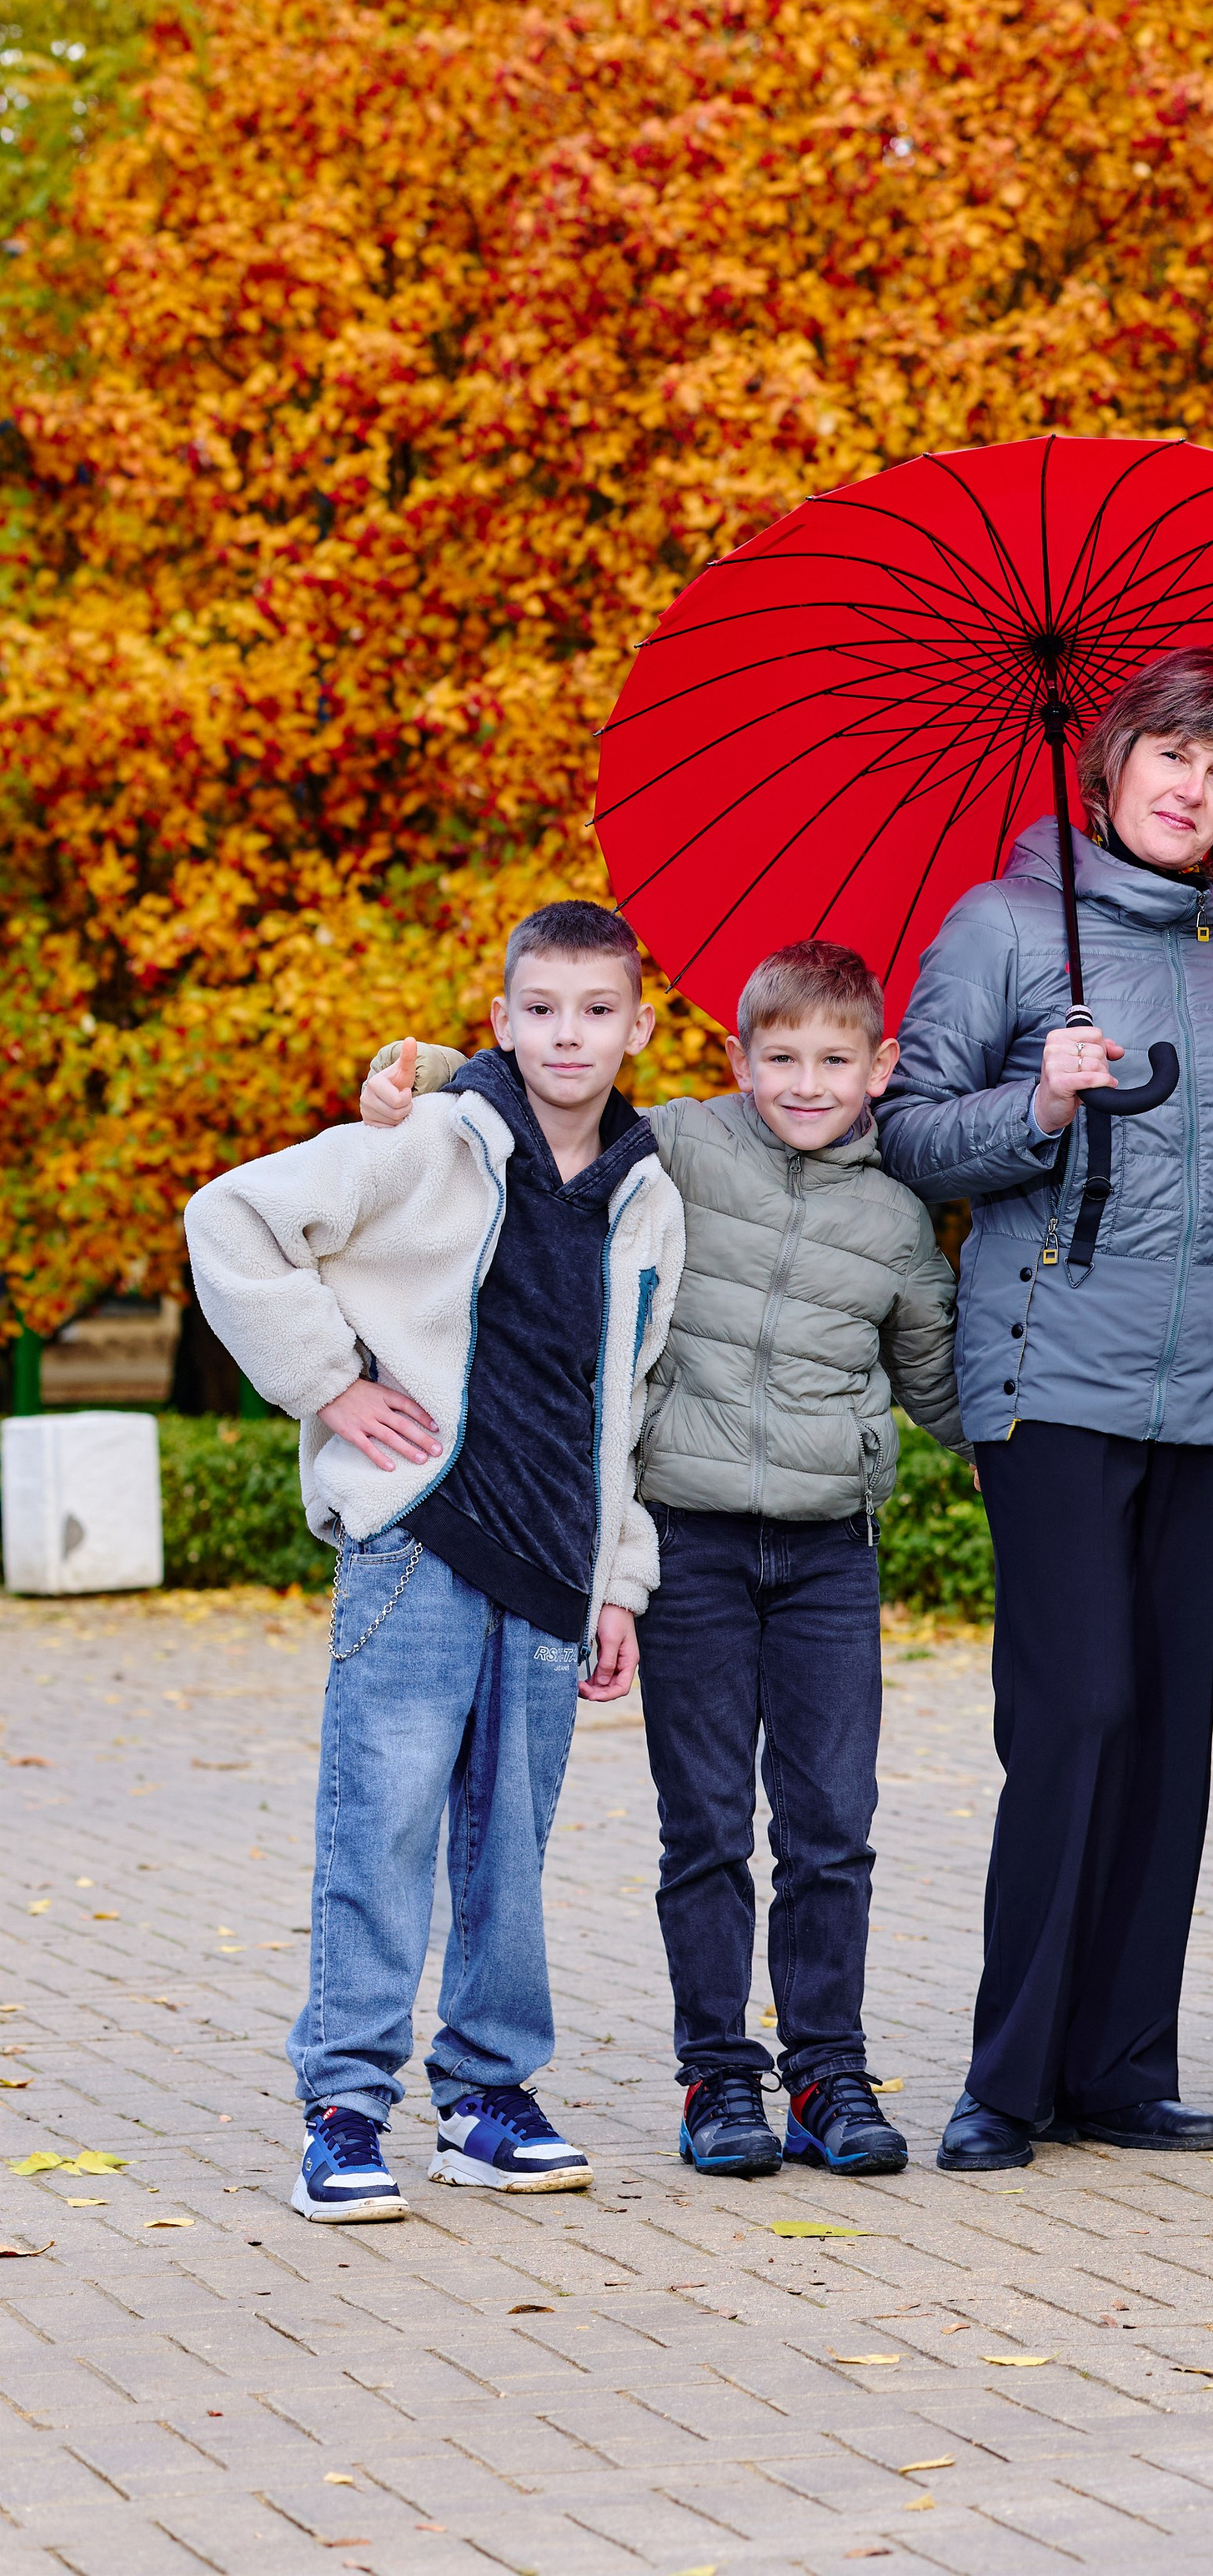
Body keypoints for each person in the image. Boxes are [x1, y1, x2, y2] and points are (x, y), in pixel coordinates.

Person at [358, 938, 964, 2182]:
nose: (806, 1084)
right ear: (737, 1059)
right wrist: (418, 1083)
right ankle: (716, 2075)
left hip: (829, 1557)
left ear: (880, 1067)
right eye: (781, 1058)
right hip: (688, 1543)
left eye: (835, 1061)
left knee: (831, 1826)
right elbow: (550, 1100)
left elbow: (944, 1390)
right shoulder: (678, 1145)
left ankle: (828, 2072)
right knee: (705, 1826)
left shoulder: (901, 1218)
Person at [877, 648, 1213, 2173]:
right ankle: (1008, 2081)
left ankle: (1125, 2068)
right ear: (1113, 760)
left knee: (1172, 1735)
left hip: (1212, 1392)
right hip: (1050, 1373)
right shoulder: (1003, 926)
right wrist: (1040, 1102)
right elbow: (909, 1136)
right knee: (1075, 1716)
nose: (1193, 789)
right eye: (1173, 755)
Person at [185, 901, 684, 2223]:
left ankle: (486, 2097)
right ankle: (345, 2109)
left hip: (553, 1562)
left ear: (639, 1027)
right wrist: (328, 1384)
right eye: (543, 1010)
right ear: (502, 1020)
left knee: (509, 1850)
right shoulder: (422, 1143)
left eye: (596, 1011)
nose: (568, 1035)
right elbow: (229, 1218)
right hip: (418, 1541)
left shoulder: (649, 1199)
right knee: (384, 1824)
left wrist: (619, 1580)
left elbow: (632, 1402)